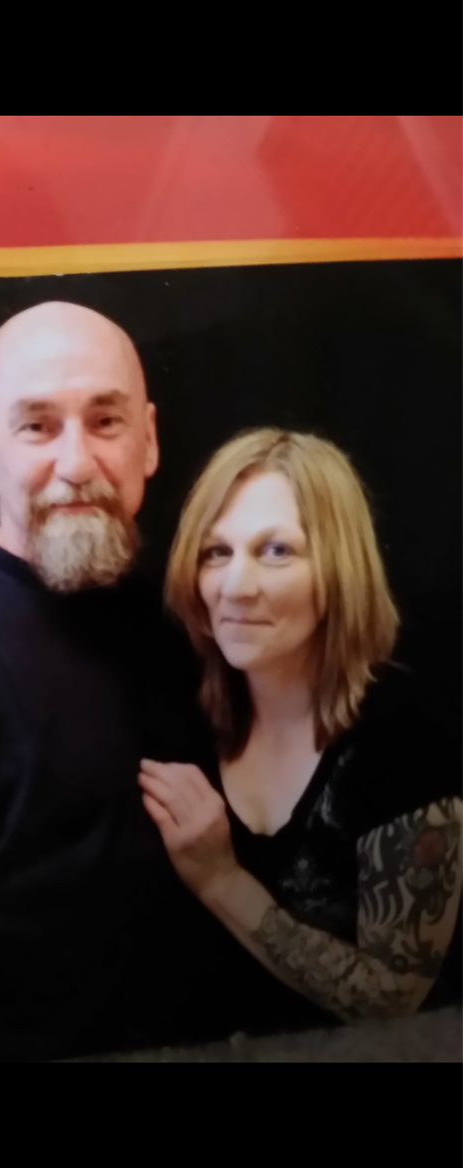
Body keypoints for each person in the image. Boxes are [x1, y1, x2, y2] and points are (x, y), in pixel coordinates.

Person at [0, 300, 214, 1063]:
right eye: (37, 426)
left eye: (105, 420)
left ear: (148, 439)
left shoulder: (195, 619)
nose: (77, 462)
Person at [139, 428, 463, 1025]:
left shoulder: (402, 734)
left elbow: (395, 998)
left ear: (340, 569)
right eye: (216, 552)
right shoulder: (182, 715)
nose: (236, 587)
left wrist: (220, 880)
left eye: (276, 551)